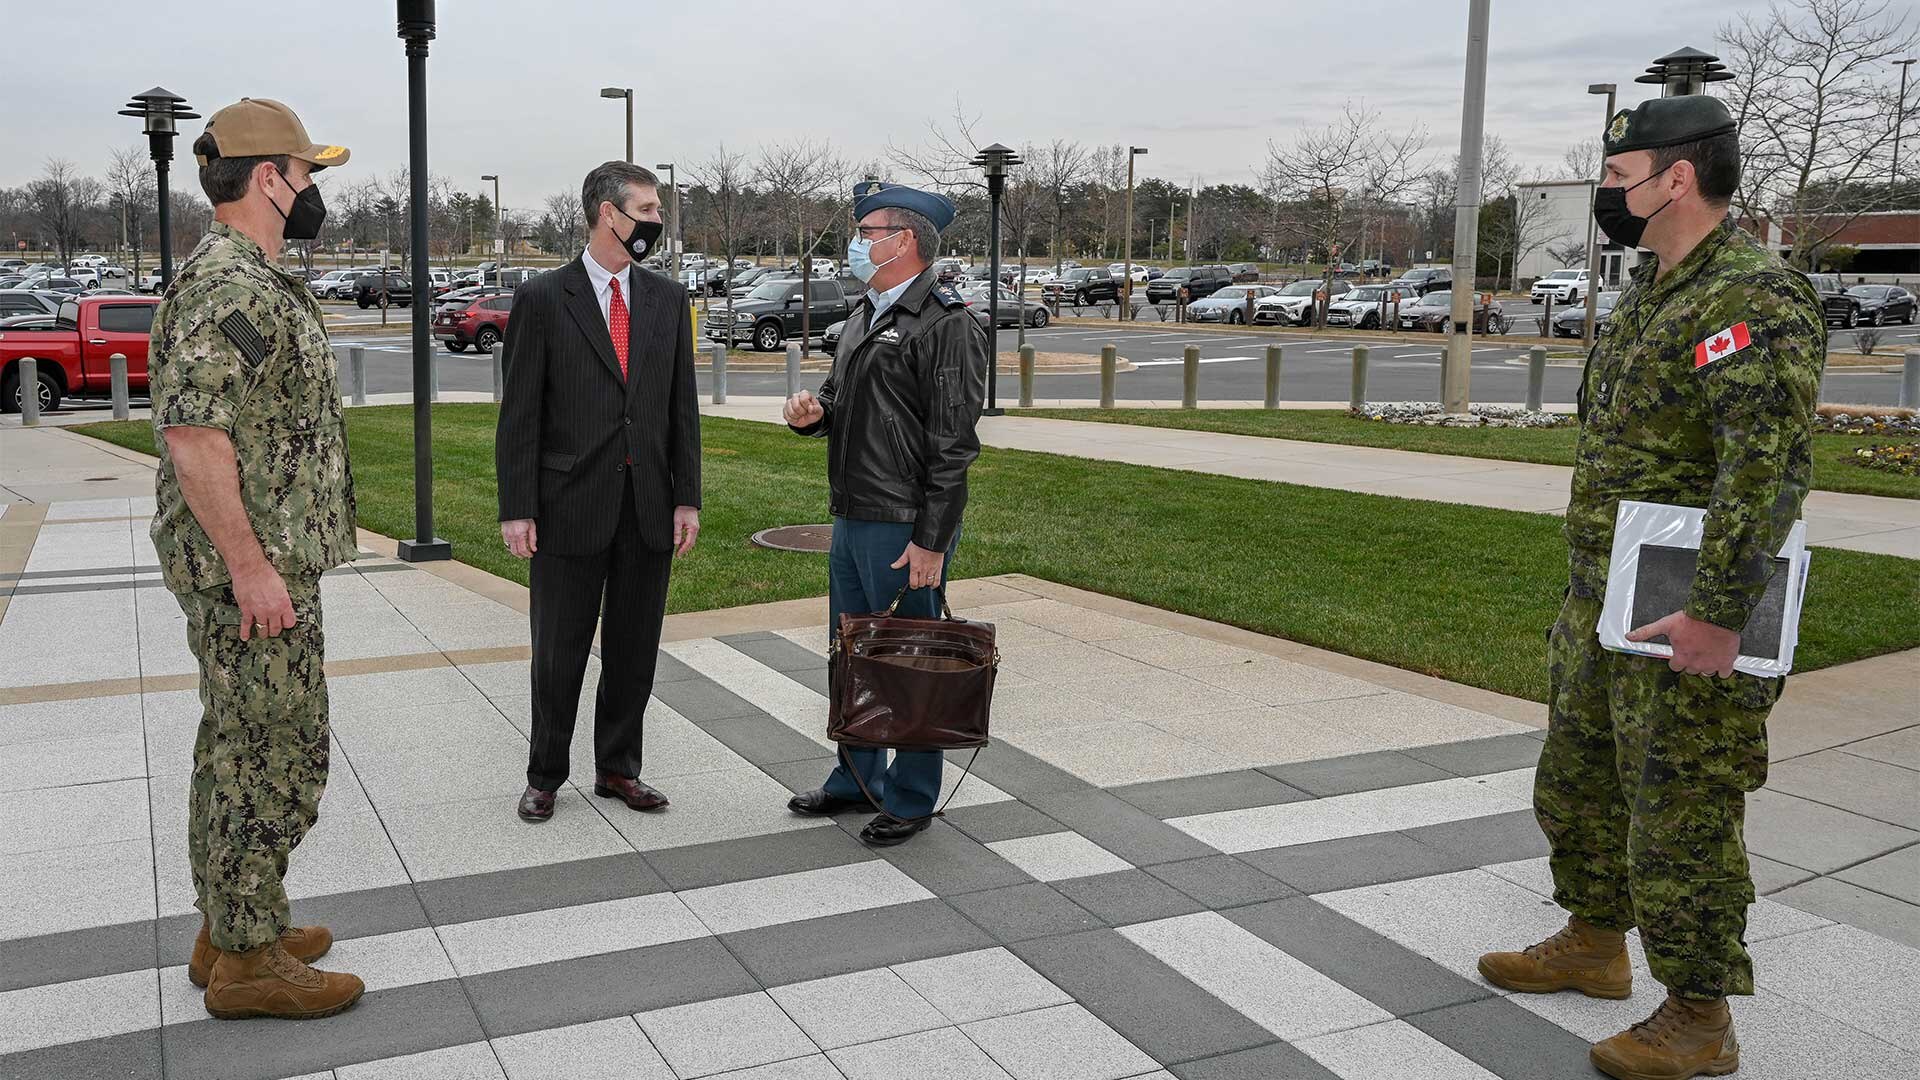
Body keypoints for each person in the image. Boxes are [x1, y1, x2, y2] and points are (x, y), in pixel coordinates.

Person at [1476, 95, 1825, 1080]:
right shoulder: (1656, 291)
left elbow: (1763, 467)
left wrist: (1719, 612)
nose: (1608, 196)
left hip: (1690, 606)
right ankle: (1594, 941)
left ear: (1678, 177)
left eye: (1621, 179)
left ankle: (1700, 1013)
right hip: (1606, 594)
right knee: (1579, 781)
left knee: (1680, 806)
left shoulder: (1749, 295)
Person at [148, 98, 363, 1020]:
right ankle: (247, 963)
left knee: (235, 743)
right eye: (308, 172)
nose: (314, 189)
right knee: (277, 750)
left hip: (269, 559)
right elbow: (196, 437)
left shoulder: (256, 276)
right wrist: (250, 568)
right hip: (253, 571)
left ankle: (232, 923)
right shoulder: (228, 284)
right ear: (268, 177)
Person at [781, 182, 989, 848]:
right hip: (853, 511)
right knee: (852, 654)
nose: (856, 242)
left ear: (904, 240)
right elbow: (846, 400)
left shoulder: (947, 323)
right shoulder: (867, 313)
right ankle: (856, 777)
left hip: (903, 525)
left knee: (908, 661)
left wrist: (932, 540)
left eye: (866, 231)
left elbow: (953, 446)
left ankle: (910, 795)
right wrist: (816, 417)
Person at [496, 161, 701, 824]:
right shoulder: (543, 299)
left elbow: (681, 411)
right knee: (557, 654)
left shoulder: (669, 301)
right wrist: (518, 506)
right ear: (607, 214)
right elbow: (519, 413)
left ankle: (619, 768)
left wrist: (686, 497)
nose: (656, 221)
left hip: (647, 508)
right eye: (645, 208)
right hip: (567, 509)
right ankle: (545, 774)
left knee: (635, 651)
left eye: (657, 209)